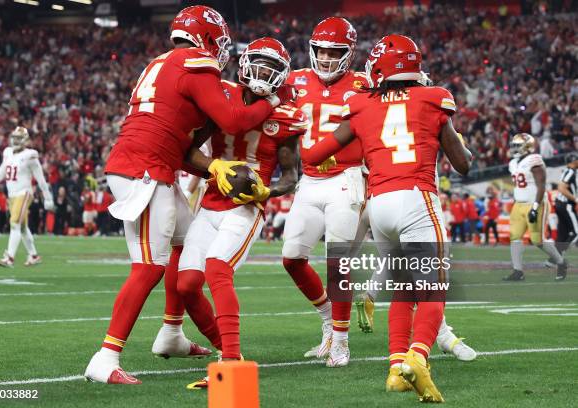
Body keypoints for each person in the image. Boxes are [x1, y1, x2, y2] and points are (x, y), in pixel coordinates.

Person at [84, 6, 293, 385]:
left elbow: (184, 141)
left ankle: (173, 332)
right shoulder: (197, 61)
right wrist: (271, 102)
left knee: (183, 245)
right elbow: (231, 120)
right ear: (209, 38)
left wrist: (214, 168)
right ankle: (106, 357)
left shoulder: (161, 61)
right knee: (149, 266)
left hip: (148, 164)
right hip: (146, 170)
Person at [301, 34, 473, 402]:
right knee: (433, 287)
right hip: (416, 197)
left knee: (404, 288)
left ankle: (396, 368)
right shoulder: (433, 98)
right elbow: (463, 164)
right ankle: (418, 357)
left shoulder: (362, 104)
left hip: (378, 202)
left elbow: (315, 154)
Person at [175, 37, 305, 389]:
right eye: (258, 64)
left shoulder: (287, 114)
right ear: (245, 63)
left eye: (271, 68)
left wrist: (267, 190)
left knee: (217, 268)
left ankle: (229, 362)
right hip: (211, 200)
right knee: (186, 285)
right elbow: (187, 151)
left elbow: (292, 175)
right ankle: (227, 348)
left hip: (246, 208)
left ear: (282, 75)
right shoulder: (222, 96)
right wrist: (216, 167)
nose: (263, 73)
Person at [281, 16, 367, 368]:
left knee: (338, 264)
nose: (327, 58)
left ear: (349, 52)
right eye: (321, 51)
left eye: (335, 52)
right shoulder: (295, 80)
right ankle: (329, 323)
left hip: (346, 178)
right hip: (309, 180)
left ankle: (342, 343)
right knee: (291, 258)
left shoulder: (365, 82)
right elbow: (281, 127)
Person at [0, 126, 54, 267]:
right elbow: (2, 170)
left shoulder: (30, 155)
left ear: (25, 140)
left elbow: (40, 179)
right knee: (21, 227)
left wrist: (48, 198)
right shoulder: (8, 152)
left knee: (14, 223)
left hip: (24, 192)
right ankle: (33, 256)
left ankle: (9, 258)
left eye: (18, 138)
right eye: (14, 137)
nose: (15, 140)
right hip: (12, 195)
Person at [503, 133, 567, 281]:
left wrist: (535, 207)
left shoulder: (534, 160)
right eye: (514, 145)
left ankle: (561, 262)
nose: (514, 148)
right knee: (515, 237)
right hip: (518, 204)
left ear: (527, 146)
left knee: (537, 240)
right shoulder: (513, 163)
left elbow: (541, 185)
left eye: (517, 145)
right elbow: (519, 185)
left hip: (534, 203)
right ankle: (518, 271)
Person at [553, 153, 578, 277]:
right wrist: (575, 199)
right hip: (566, 205)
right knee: (577, 233)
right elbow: (561, 187)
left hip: (560, 205)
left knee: (562, 237)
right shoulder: (571, 172)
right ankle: (554, 257)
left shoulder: (569, 171)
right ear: (573, 161)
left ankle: (560, 272)